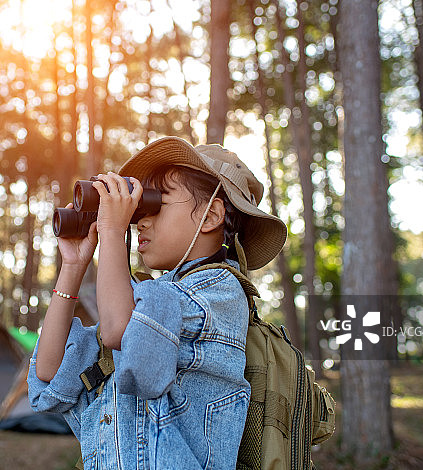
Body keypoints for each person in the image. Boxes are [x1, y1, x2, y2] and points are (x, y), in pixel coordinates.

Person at [27, 136, 287, 469]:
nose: (141, 220)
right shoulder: (148, 297)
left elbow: (118, 331)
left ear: (211, 217)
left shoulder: (218, 293)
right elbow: (50, 371)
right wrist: (74, 266)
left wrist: (111, 231)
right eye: (139, 210)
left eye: (157, 203)